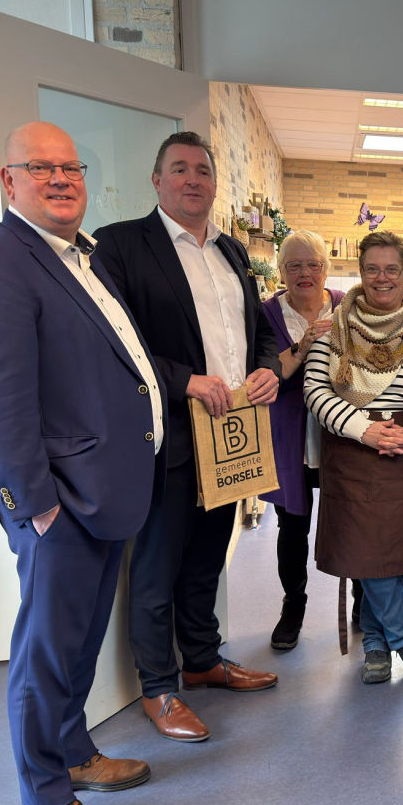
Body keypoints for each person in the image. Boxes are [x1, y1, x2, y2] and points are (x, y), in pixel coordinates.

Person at [0, 122, 164, 805]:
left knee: (78, 643)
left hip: (100, 494)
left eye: (70, 167)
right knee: (46, 653)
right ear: (9, 180)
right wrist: (36, 507)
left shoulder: (79, 258)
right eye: (40, 168)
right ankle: (42, 798)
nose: (61, 179)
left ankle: (73, 753)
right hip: (57, 504)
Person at [94, 131, 280, 743]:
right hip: (168, 436)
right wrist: (185, 380)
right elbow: (114, 341)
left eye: (202, 170)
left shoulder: (232, 252)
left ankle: (201, 660)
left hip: (229, 436)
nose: (193, 179)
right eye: (179, 169)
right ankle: (158, 687)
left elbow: (258, 333)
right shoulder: (121, 245)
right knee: (156, 567)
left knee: (206, 559)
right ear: (157, 180)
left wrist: (266, 369)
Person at [304, 230, 403, 685]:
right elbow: (315, 390)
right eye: (372, 269)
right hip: (352, 453)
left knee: (396, 553)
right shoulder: (334, 327)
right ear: (360, 272)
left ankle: (374, 645)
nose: (382, 278)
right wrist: (364, 429)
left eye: (391, 269)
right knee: (366, 548)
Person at [259, 230, 345, 650]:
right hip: (290, 437)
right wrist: (304, 344)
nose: (304, 273)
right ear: (281, 271)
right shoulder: (265, 314)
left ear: (326, 269)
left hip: (341, 434)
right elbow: (262, 372)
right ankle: (293, 604)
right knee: (291, 525)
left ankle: (365, 602)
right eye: (294, 265)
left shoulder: (347, 305)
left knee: (352, 519)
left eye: (313, 264)